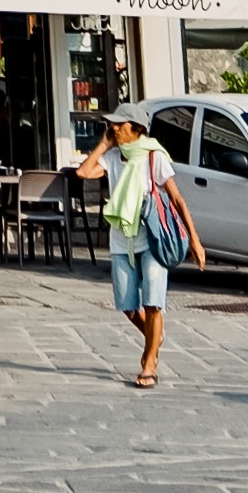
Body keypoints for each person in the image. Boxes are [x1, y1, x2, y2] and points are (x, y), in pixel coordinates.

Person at [72, 110, 203, 389]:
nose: (114, 128)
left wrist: (194, 239)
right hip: (122, 241)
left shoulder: (154, 157)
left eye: (119, 124)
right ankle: (154, 337)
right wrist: (104, 144)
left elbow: (177, 199)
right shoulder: (112, 157)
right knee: (128, 306)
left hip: (152, 238)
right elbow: (83, 172)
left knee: (153, 303)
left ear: (136, 127)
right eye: (112, 124)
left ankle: (149, 363)